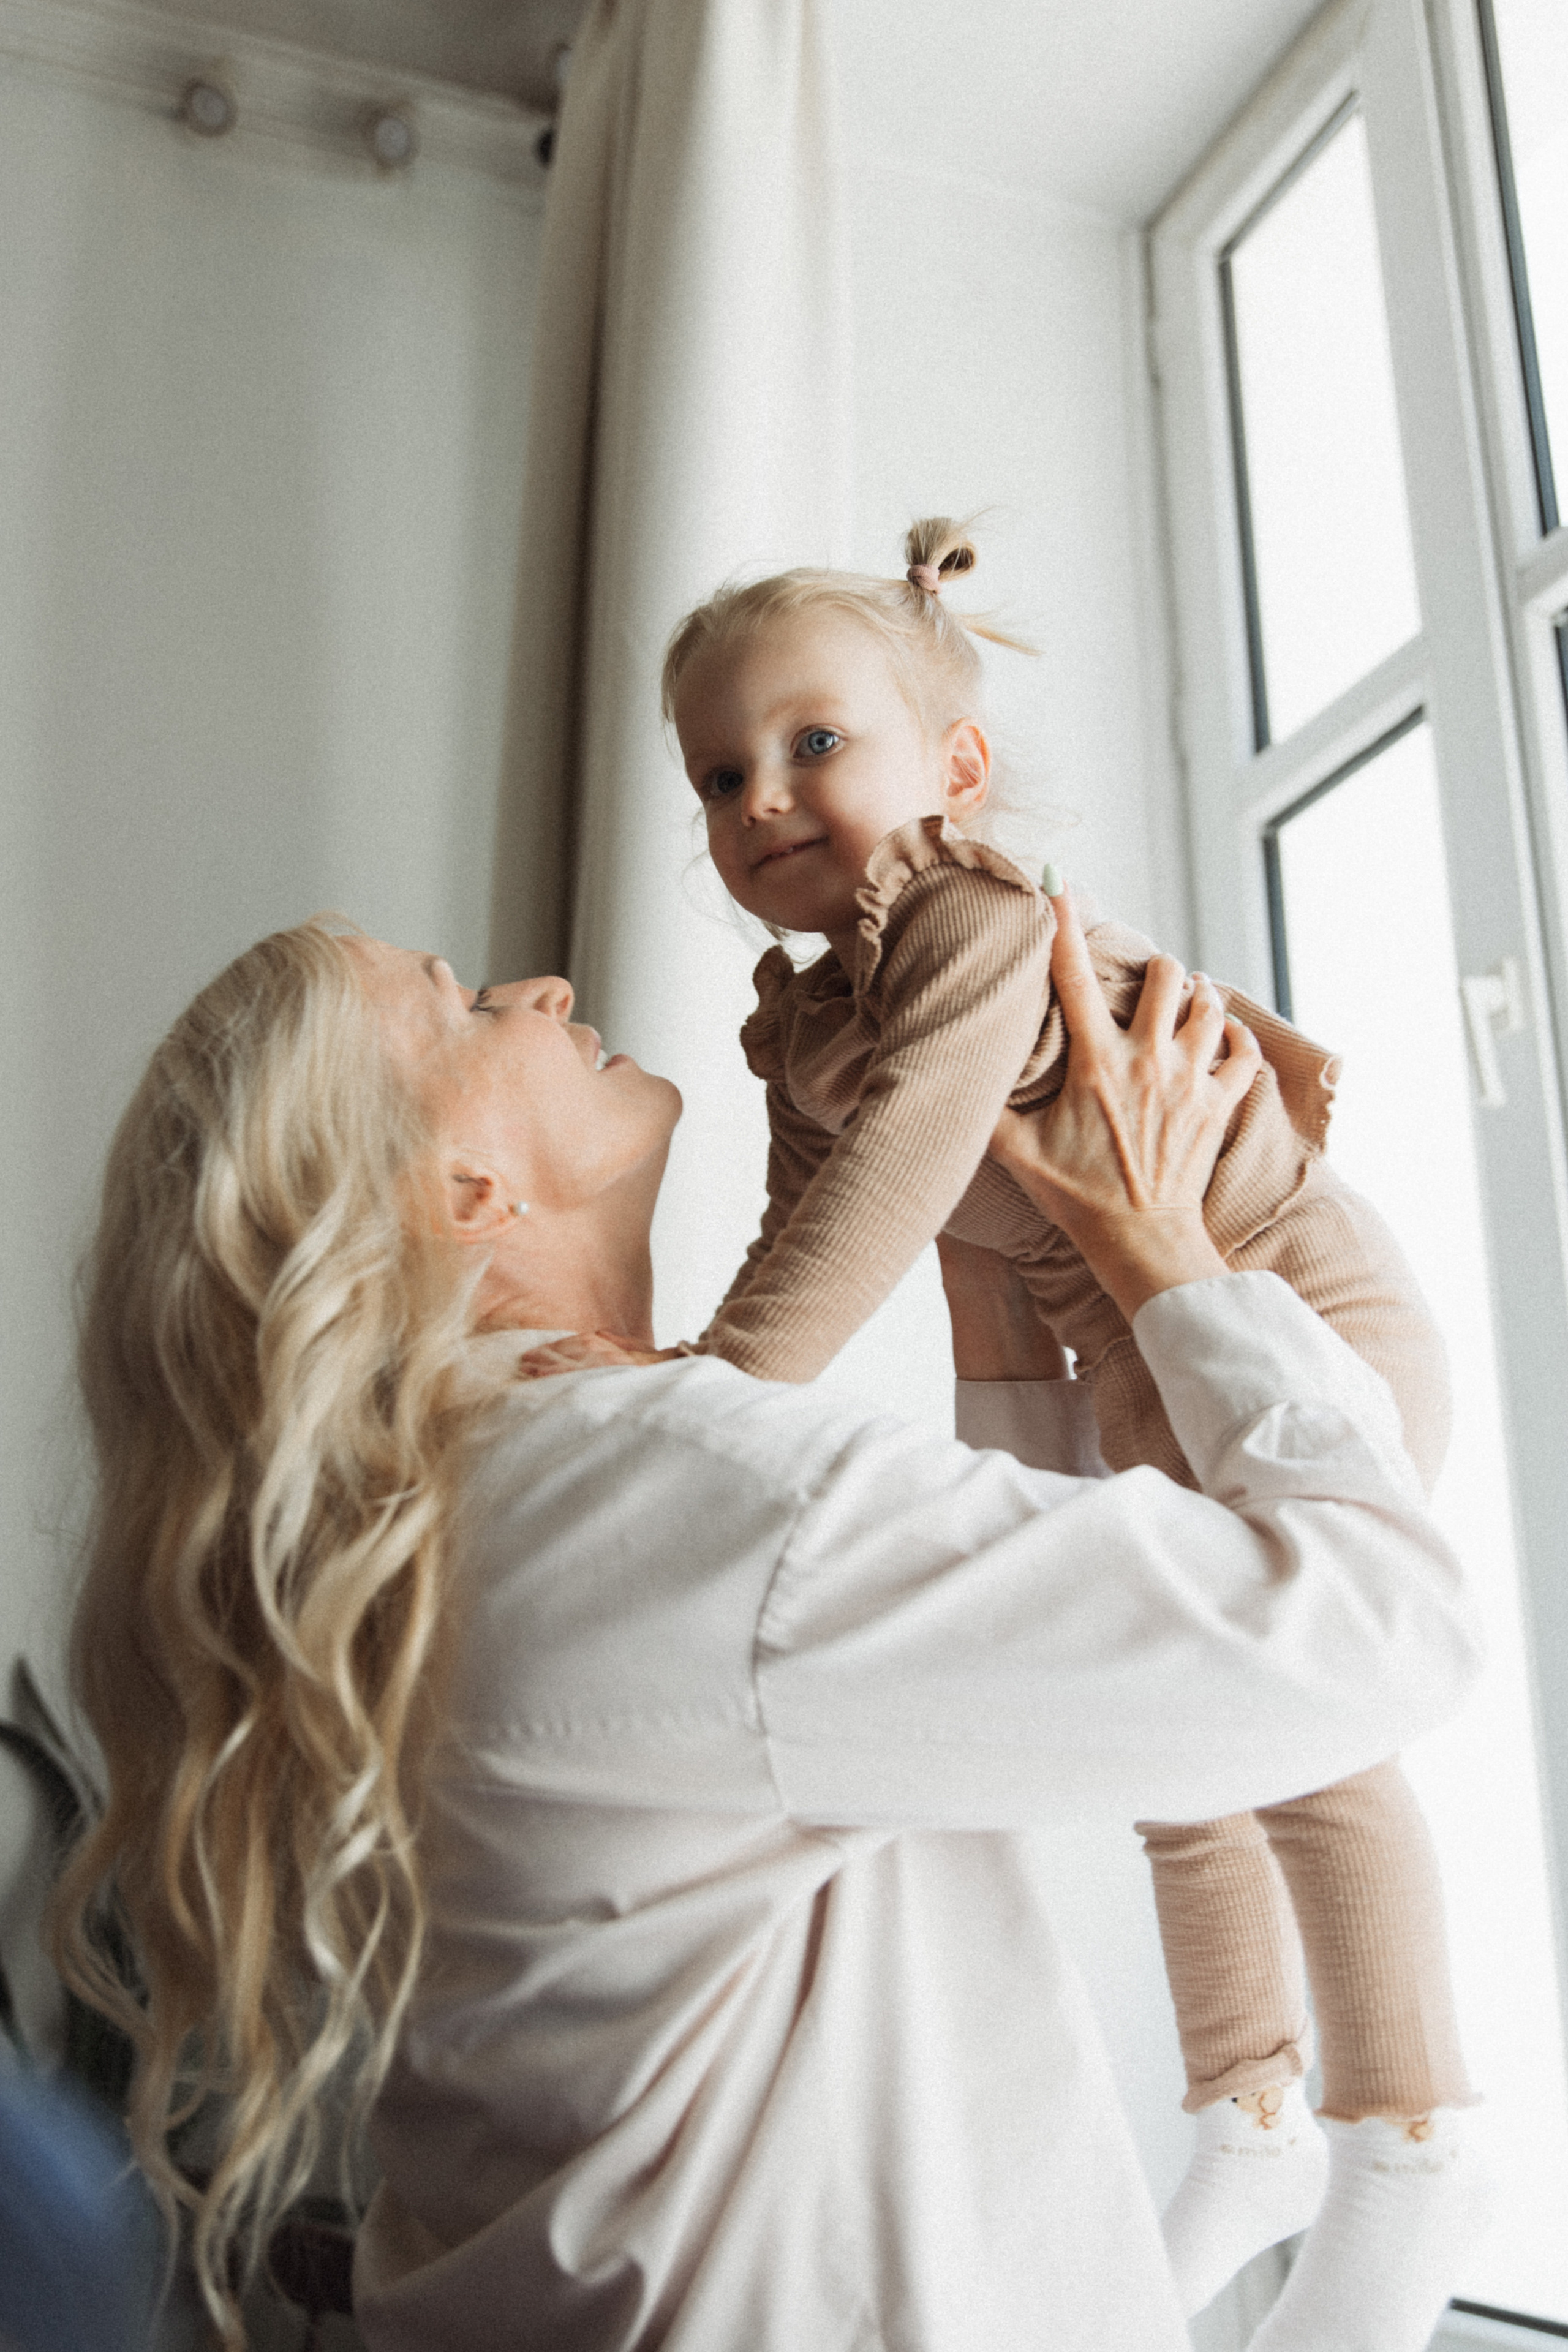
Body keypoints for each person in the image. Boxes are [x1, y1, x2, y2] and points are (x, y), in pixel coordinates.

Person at [54, 894, 1480, 2352]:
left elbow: (984, 1642)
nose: (540, 986)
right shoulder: (665, 1499)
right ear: (466, 1186)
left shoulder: (447, 1521)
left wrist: (995, 1294)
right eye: (469, 1006)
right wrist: (1163, 1247)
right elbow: (1381, 1630)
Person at [656, 517, 1489, 2338]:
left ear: (954, 769)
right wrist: (1001, 1462)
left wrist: (695, 1411)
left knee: (1299, 1734)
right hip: (1128, 1356)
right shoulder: (809, 1027)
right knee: (1160, 1755)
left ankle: (1406, 2146)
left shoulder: (966, 922)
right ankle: (1247, 2117)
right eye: (720, 775)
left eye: (813, 745)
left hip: (1279, 1308)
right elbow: (873, 1242)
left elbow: (890, 1187)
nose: (764, 801)